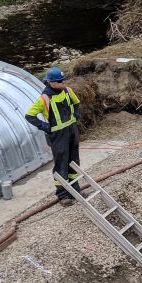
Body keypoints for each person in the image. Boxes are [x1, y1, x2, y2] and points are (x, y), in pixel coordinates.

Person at [25, 67, 82, 204]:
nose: (63, 82)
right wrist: (45, 127)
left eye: (63, 80)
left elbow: (76, 103)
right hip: (57, 136)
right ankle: (63, 195)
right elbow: (29, 115)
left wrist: (76, 114)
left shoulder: (68, 91)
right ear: (51, 82)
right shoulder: (44, 98)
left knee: (74, 162)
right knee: (61, 164)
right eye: (59, 81)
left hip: (72, 131)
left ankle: (75, 190)